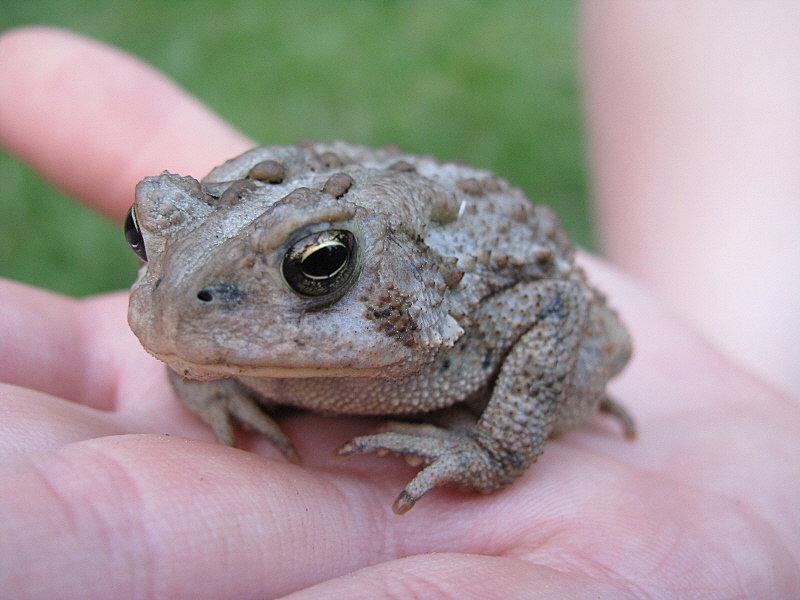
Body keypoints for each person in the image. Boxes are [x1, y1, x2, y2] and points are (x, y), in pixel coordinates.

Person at [1, 19, 798, 600]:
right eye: (147, 236)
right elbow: (189, 298)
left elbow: (554, 300)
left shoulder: (447, 307)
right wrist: (205, 373)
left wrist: (496, 449)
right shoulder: (202, 291)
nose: (180, 295)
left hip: (469, 260)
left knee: (599, 355)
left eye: (315, 266)